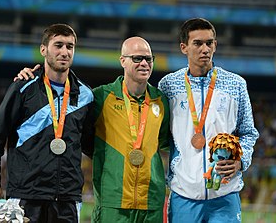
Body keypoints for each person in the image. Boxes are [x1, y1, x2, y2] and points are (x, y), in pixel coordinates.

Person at [16, 36, 171, 223]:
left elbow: (162, 141)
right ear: (123, 60)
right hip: (113, 201)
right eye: (137, 58)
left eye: (148, 58)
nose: (144, 63)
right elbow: (70, 116)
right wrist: (36, 74)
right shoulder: (100, 97)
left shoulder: (161, 101)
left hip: (151, 201)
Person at [0, 23, 94, 222]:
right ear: (43, 49)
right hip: (25, 195)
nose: (64, 52)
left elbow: (91, 145)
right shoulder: (23, 88)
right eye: (58, 45)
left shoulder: (85, 95)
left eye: (70, 46)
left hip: (67, 198)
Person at [158, 18, 259, 222]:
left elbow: (248, 132)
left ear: (215, 45)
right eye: (198, 43)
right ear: (183, 47)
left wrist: (241, 161)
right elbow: (160, 135)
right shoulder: (168, 86)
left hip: (225, 195)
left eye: (209, 43)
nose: (205, 49)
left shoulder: (236, 85)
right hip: (183, 194)